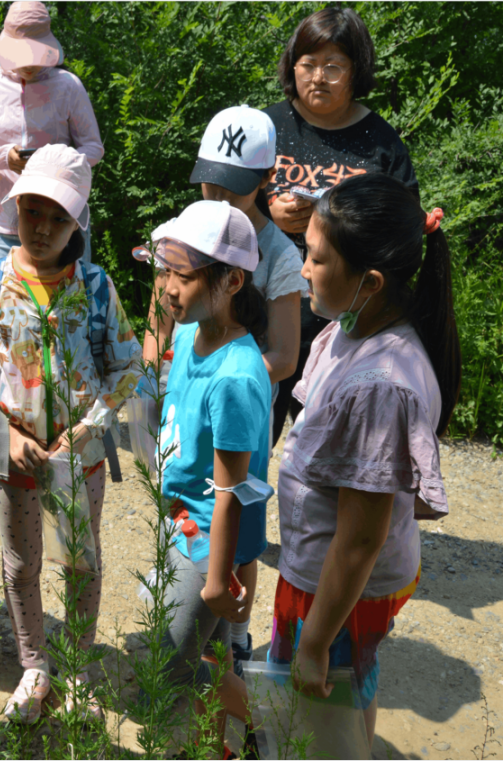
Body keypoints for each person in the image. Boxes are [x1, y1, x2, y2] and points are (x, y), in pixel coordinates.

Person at [0, 144, 141, 723]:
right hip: (14, 461)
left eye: (59, 216)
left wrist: (90, 429)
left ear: (78, 220)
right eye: (32, 210)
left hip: (79, 460)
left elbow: (129, 366)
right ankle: (35, 667)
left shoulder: (95, 284)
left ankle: (80, 668)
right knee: (22, 564)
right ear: (14, 208)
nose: (42, 227)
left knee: (82, 560)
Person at [269, 173, 457, 748]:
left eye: (317, 259)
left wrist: (314, 643)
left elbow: (359, 541)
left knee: (321, 708)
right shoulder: (349, 329)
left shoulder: (382, 384)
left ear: (370, 282)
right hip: (322, 575)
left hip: (338, 593)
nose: (303, 268)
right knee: (350, 693)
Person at [135, 201, 271, 754]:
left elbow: (231, 491)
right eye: (164, 271)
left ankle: (275, 716)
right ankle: (225, 747)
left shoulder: (236, 377)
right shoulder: (193, 333)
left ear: (232, 281)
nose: (168, 288)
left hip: (206, 542)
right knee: (201, 656)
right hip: (184, 523)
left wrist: (218, 577)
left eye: (183, 276)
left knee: (173, 666)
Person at [260, 7, 420, 444]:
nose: (318, 77)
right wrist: (266, 212)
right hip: (265, 317)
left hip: (346, 328)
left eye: (334, 66)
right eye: (308, 64)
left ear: (356, 71)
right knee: (247, 450)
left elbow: (402, 226)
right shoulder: (267, 126)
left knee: (328, 458)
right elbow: (225, 206)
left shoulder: (382, 142)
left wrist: (338, 225)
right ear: (293, 65)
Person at [187, 104, 308, 672]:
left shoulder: (280, 255)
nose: (216, 195)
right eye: (210, 179)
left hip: (244, 406)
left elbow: (284, 356)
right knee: (193, 500)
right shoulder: (195, 227)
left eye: (232, 186)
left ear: (265, 180)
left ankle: (236, 632)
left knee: (242, 522)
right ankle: (194, 604)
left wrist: (226, 377)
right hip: (193, 400)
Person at [0, 0, 104, 267]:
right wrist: (5, 158)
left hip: (63, 224)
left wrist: (54, 162)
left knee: (74, 303)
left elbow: (94, 148)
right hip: (6, 227)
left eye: (35, 54)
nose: (28, 64)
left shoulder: (69, 86)